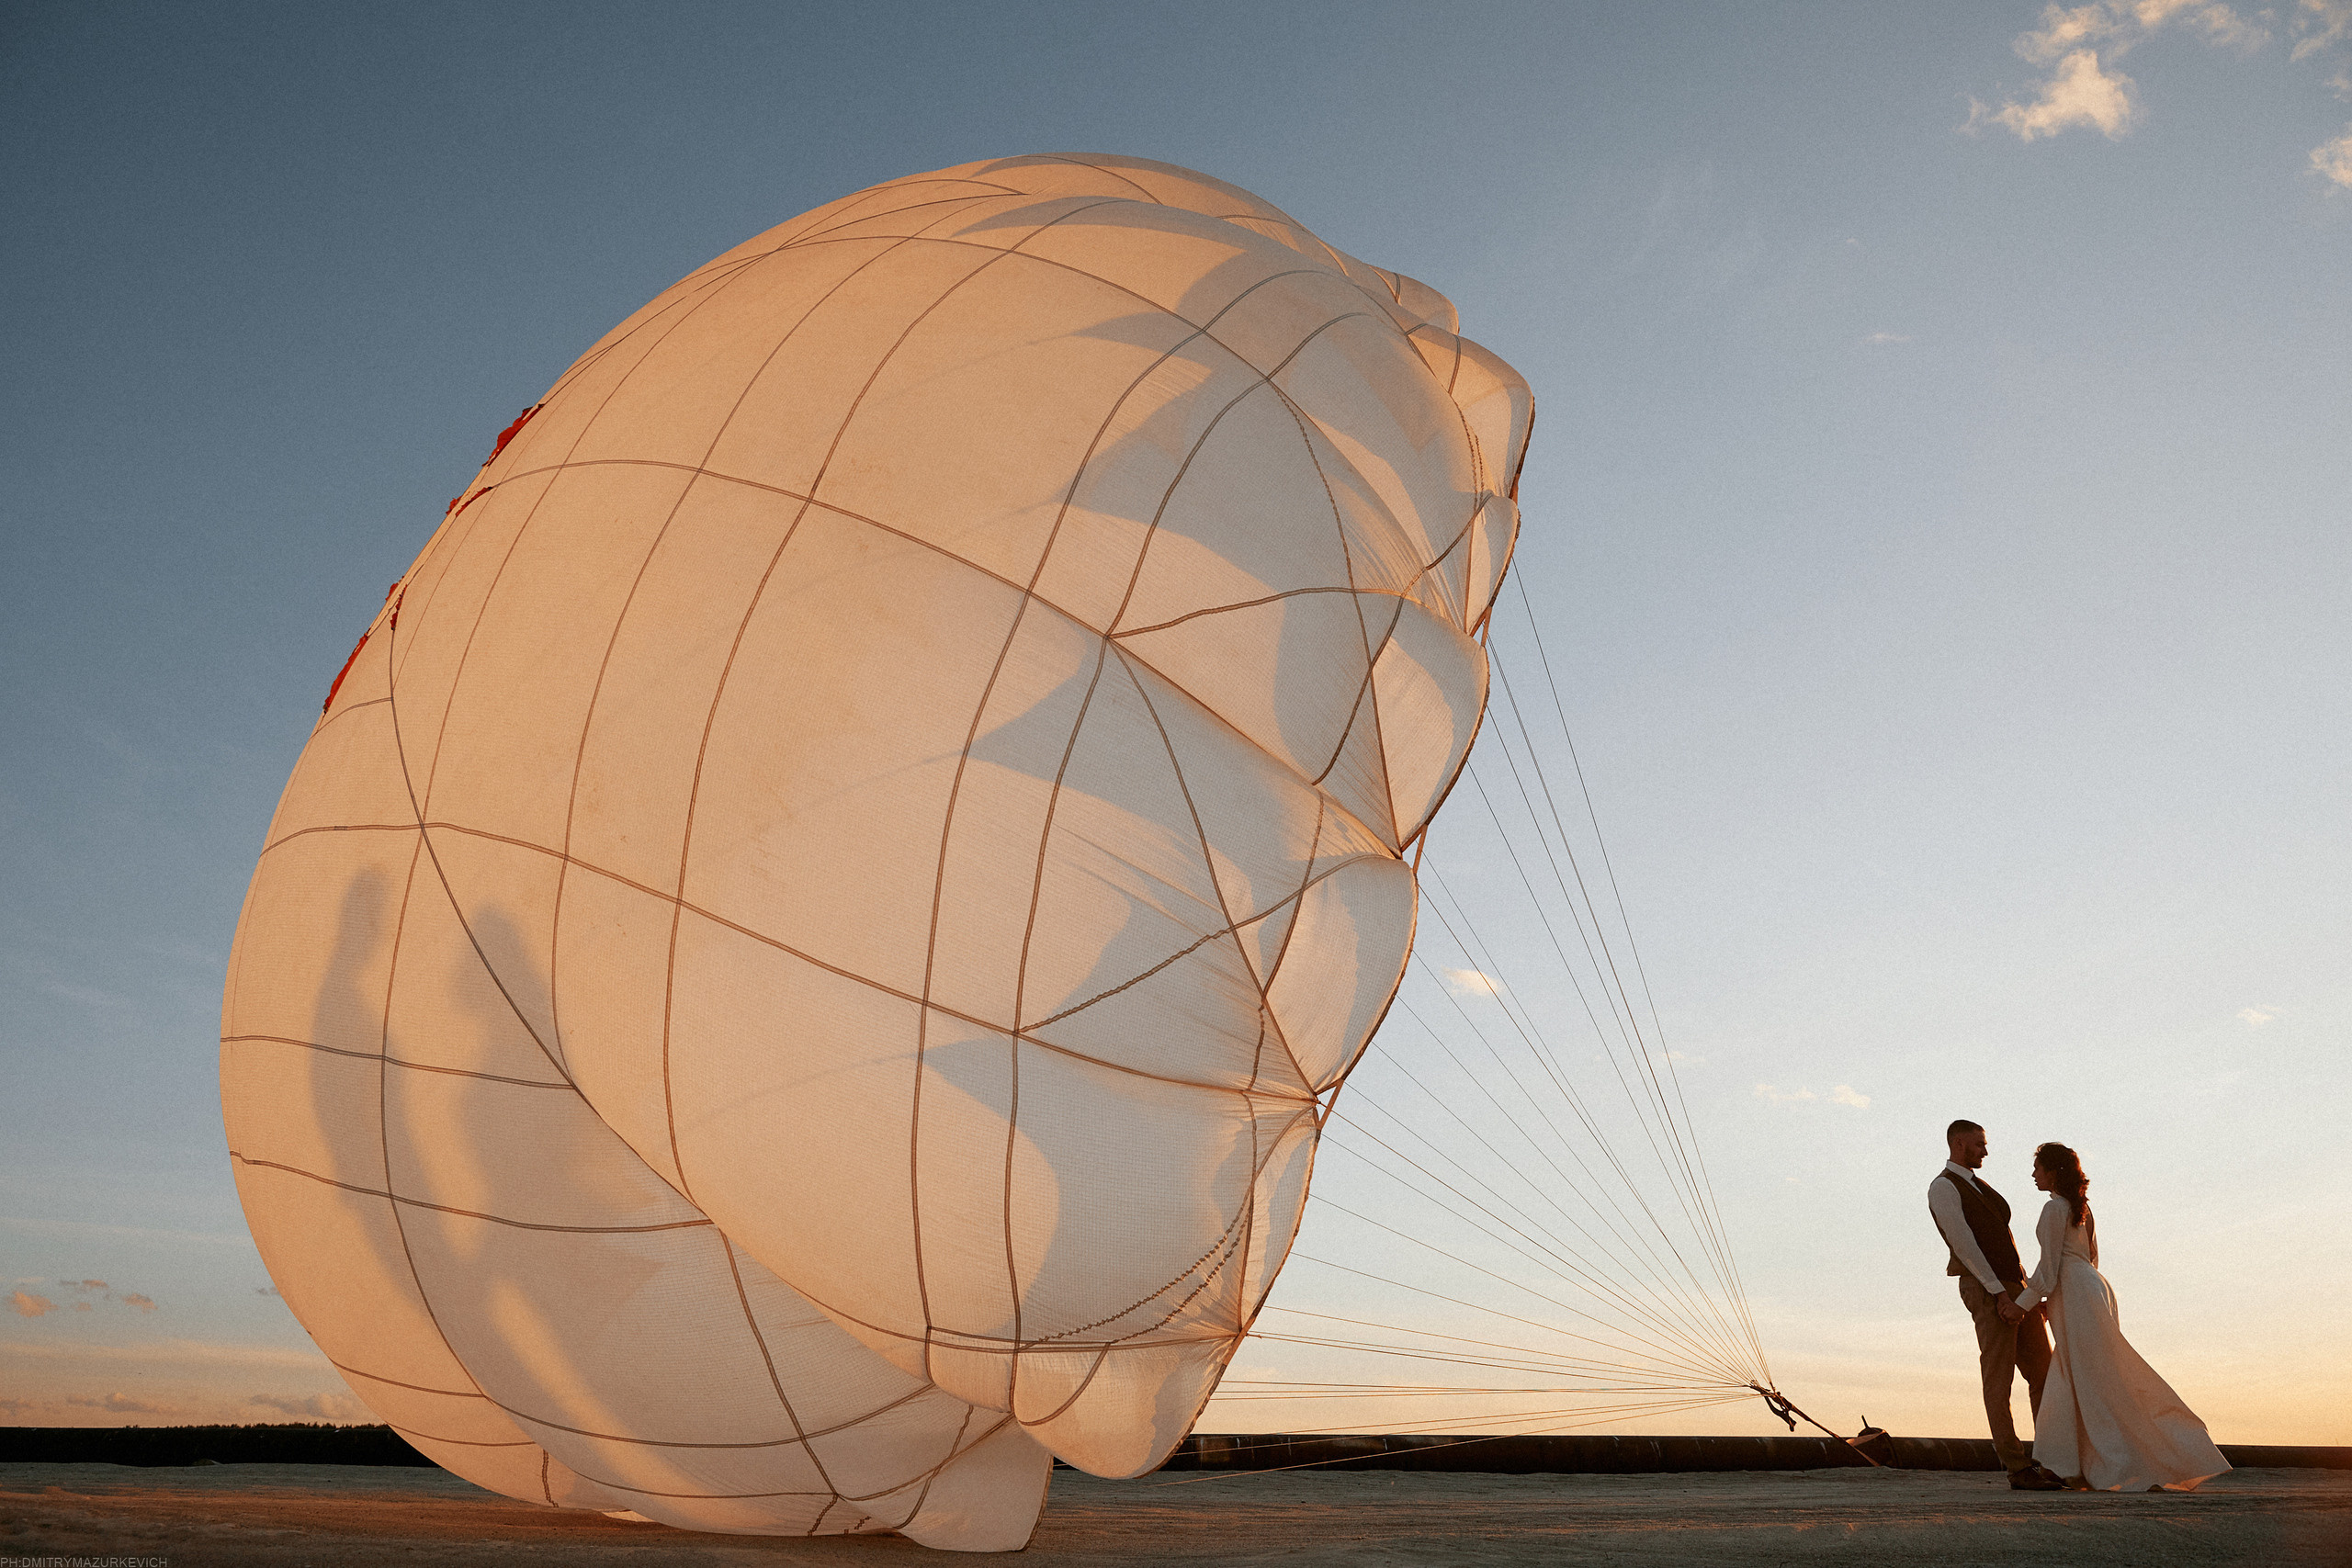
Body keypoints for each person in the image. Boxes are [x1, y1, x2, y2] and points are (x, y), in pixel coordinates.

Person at [2012, 1142, 2231, 1492]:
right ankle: (2067, 1463)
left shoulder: (2053, 1208)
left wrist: (2019, 1304)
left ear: (2052, 1172)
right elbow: (2088, 1258)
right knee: (2088, 1372)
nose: (2033, 1174)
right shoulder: (2082, 1208)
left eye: (2037, 1168)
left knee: (2087, 1375)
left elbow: (2048, 1271)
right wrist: (2053, 1297)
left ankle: (2114, 1462)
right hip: (2092, 1288)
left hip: (2075, 1292)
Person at [1928, 1120, 2065, 1489]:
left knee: (2044, 1375)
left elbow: (2007, 1244)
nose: (1985, 1151)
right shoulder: (1943, 1187)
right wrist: (2000, 1295)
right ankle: (2017, 1467)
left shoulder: (1980, 1186)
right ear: (1959, 1143)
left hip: (2014, 1289)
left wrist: (2026, 1294)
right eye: (1979, 1144)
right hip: (1986, 1289)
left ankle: (2050, 1460)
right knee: (1998, 1377)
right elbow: (1965, 1246)